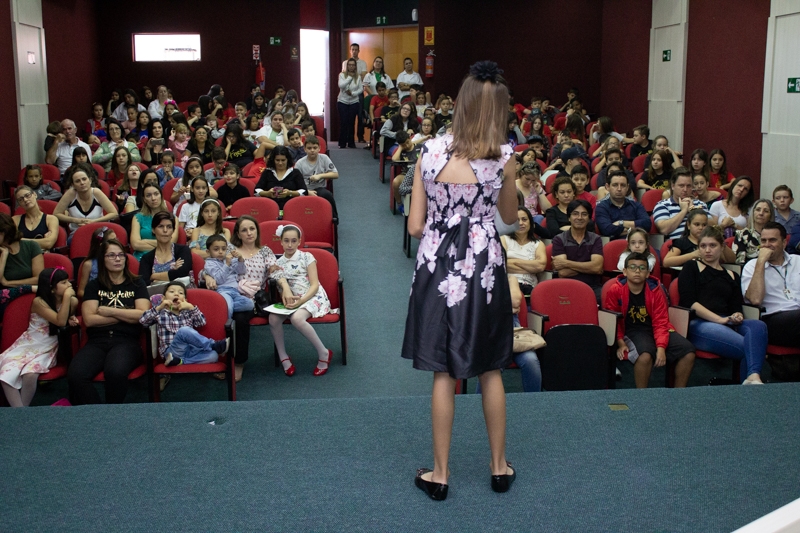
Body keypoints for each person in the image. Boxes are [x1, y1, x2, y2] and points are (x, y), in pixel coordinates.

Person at [403, 62, 518, 500]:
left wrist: (445, 221)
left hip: (437, 265)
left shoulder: (429, 151)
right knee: (490, 369)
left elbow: (415, 226)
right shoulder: (504, 158)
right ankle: (498, 468)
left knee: (442, 371)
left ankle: (440, 474)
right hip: (484, 266)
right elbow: (509, 217)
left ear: (461, 103)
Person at [679, 226, 767, 385]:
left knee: (758, 326)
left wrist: (737, 315)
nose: (707, 250)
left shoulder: (732, 275)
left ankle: (753, 377)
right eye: (703, 246)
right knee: (749, 347)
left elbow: (736, 307)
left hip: (727, 321)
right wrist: (719, 320)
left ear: (722, 247)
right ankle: (750, 387)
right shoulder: (691, 267)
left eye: (712, 245)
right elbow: (689, 302)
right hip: (700, 323)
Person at [67, 239, 149, 404]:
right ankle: (98, 412)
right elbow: (90, 320)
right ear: (102, 260)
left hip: (127, 341)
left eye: (121, 255)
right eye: (111, 255)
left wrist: (110, 311)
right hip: (97, 341)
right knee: (76, 374)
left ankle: (112, 411)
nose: (117, 259)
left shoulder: (137, 283)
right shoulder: (94, 285)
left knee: (115, 372)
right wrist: (127, 314)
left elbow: (142, 315)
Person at [205, 216, 283, 382]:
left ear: (257, 231)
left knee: (239, 320)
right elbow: (211, 265)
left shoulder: (265, 251)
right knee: (224, 316)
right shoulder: (230, 249)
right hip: (231, 292)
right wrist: (206, 276)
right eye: (244, 230)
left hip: (255, 298)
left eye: (252, 229)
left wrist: (275, 270)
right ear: (238, 234)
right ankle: (218, 358)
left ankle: (238, 363)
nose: (249, 233)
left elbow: (274, 271)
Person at [605, 253, 696, 388]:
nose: (637, 271)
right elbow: (613, 320)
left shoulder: (655, 291)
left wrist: (661, 348)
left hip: (657, 328)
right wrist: (620, 342)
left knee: (688, 351)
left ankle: (678, 394)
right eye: (633, 267)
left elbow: (661, 322)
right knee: (645, 356)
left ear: (648, 273)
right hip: (632, 330)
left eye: (642, 268)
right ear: (624, 271)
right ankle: (643, 396)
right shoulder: (615, 290)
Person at [0, 267, 78, 406]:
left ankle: (21, 413)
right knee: (6, 375)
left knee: (30, 374)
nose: (69, 285)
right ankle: (21, 412)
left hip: (47, 347)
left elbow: (65, 319)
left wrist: (71, 317)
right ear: (51, 288)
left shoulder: (72, 302)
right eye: (64, 282)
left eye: (68, 281)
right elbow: (59, 320)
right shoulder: (39, 302)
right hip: (29, 344)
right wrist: (67, 297)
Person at [268, 225, 333, 376]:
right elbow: (281, 288)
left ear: (299, 242)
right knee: (273, 318)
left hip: (312, 296)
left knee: (297, 319)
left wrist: (302, 300)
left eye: (293, 241)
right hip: (293, 300)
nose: (290, 245)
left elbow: (314, 285)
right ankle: (283, 357)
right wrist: (289, 300)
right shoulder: (278, 264)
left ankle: (324, 352)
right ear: (281, 242)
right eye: (286, 241)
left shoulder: (306, 257)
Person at [139, 281, 229, 367]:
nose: (176, 294)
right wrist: (159, 307)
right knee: (183, 331)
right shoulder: (160, 313)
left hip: (190, 350)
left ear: (185, 300)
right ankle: (212, 345)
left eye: (181, 293)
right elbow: (143, 320)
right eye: (171, 292)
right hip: (172, 351)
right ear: (164, 298)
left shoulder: (188, 313)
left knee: (213, 356)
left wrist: (191, 307)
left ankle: (179, 361)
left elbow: (201, 322)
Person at [742, 222, 800, 351]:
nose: (767, 245)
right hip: (773, 320)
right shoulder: (752, 266)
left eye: (772, 240)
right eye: (763, 241)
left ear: (784, 243)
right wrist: (761, 262)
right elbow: (755, 299)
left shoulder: (798, 261)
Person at [552, 199, 604, 303]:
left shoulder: (596, 239)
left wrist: (566, 263)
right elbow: (563, 273)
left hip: (592, 286)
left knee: (602, 298)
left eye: (584, 214)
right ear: (569, 217)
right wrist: (589, 267)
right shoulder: (559, 239)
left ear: (589, 218)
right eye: (575, 214)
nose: (579, 217)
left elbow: (597, 268)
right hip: (566, 285)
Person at [53, 165, 119, 240]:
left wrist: (94, 221)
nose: (82, 183)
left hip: (98, 233)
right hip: (77, 233)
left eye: (84, 179)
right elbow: (56, 214)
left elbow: (114, 214)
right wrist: (75, 220)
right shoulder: (70, 194)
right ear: (73, 185)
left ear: (90, 180)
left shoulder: (96, 192)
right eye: (77, 181)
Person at [0, 213, 41, 319]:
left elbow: (38, 279)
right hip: (5, 301)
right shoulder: (1, 252)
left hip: (31, 297)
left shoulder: (31, 246)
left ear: (4, 232)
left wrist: (7, 283)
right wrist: (3, 256)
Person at [201, 235, 252, 319]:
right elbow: (219, 280)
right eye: (216, 249)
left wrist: (240, 259)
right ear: (208, 252)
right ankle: (227, 323)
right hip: (222, 291)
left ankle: (220, 308)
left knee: (250, 304)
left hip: (235, 291)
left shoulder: (230, 259)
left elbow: (242, 271)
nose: (221, 252)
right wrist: (227, 264)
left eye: (224, 249)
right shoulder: (209, 263)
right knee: (228, 307)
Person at [653, 167, 710, 241]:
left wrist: (693, 211)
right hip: (677, 244)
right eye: (681, 186)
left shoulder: (700, 204)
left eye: (689, 186)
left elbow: (712, 226)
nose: (685, 190)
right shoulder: (662, 205)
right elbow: (664, 229)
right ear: (673, 186)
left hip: (702, 243)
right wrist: (684, 211)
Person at [138, 212, 193, 286]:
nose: (165, 230)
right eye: (160, 226)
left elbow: (182, 273)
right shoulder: (146, 258)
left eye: (169, 227)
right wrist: (173, 271)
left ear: (173, 230)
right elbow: (144, 283)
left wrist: (154, 276)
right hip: (155, 292)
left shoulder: (183, 250)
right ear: (153, 230)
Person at [503, 207, 546, 296]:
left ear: (530, 222)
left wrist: (513, 261)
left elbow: (540, 266)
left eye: (524, 219)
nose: (520, 223)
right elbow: (501, 264)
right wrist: (531, 268)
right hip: (506, 286)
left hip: (529, 287)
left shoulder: (538, 244)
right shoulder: (503, 239)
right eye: (516, 220)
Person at [595, 171, 651, 239]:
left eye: (623, 185)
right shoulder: (601, 207)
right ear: (607, 187)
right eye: (615, 185)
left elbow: (647, 224)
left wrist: (621, 223)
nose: (619, 189)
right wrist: (634, 229)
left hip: (636, 243)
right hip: (614, 244)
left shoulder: (636, 205)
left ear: (627, 187)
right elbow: (607, 230)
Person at [293, 135, 339, 218]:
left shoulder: (324, 158)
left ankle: (334, 219)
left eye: (315, 148)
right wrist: (307, 191)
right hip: (305, 189)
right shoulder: (300, 163)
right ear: (305, 149)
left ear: (319, 148)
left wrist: (320, 176)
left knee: (327, 195)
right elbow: (295, 182)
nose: (312, 150)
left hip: (319, 188)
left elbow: (335, 174)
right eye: (309, 148)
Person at [131, 183, 175, 260]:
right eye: (148, 195)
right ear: (144, 199)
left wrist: (144, 241)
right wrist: (162, 244)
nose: (153, 198)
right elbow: (135, 245)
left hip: (164, 257)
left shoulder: (172, 218)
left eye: (156, 194)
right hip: (142, 257)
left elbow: (171, 243)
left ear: (161, 196)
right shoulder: (137, 217)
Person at [12, 186, 60, 252]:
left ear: (35, 194)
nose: (25, 200)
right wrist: (42, 241)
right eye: (21, 199)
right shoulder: (15, 220)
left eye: (27, 195)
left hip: (43, 256)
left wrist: (20, 240)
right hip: (22, 256)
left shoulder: (51, 219)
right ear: (19, 204)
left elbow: (48, 243)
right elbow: (12, 242)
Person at [77, 226, 116, 298]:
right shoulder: (89, 264)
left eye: (116, 239)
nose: (117, 243)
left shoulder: (120, 261)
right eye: (112, 241)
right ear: (102, 245)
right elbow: (81, 291)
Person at [732, 199, 774, 265]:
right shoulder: (742, 235)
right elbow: (740, 262)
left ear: (771, 215)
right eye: (758, 210)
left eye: (766, 211)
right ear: (753, 213)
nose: (761, 213)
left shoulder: (775, 235)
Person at [337, 58, 362, 149]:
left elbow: (360, 89)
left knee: (351, 122)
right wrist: (350, 77)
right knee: (344, 122)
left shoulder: (358, 77)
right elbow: (341, 85)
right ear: (347, 66)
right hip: (342, 101)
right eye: (349, 65)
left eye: (353, 65)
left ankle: (351, 142)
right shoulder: (342, 75)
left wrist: (353, 93)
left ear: (355, 66)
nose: (351, 66)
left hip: (354, 102)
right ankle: (342, 143)